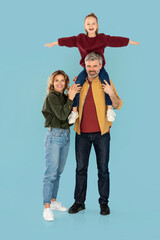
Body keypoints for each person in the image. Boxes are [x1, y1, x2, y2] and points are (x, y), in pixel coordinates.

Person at [45, 13, 139, 123]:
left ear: (97, 25)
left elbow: (115, 40)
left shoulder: (102, 38)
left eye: (93, 23)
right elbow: (67, 41)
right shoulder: (80, 39)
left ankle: (109, 110)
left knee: (106, 83)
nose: (91, 25)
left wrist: (129, 41)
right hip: (86, 69)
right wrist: (54, 43)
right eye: (88, 23)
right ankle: (74, 112)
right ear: (84, 26)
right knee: (78, 85)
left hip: (100, 68)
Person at [68, 52, 122, 215]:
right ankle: (79, 202)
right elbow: (70, 101)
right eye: (89, 66)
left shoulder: (106, 81)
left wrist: (111, 92)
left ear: (100, 66)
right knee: (80, 169)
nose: (92, 69)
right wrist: (70, 96)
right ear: (85, 66)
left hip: (102, 134)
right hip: (82, 134)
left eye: (95, 66)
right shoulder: (79, 81)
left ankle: (104, 203)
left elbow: (118, 104)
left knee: (103, 169)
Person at [42, 70, 81, 221]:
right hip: (54, 136)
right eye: (56, 80)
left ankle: (53, 202)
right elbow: (62, 115)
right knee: (50, 173)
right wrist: (70, 98)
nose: (59, 83)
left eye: (62, 81)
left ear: (66, 83)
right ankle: (46, 207)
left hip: (65, 135)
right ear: (52, 83)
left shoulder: (64, 97)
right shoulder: (52, 97)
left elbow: (71, 113)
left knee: (58, 172)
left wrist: (77, 84)